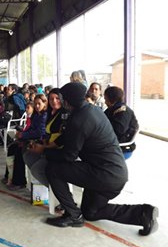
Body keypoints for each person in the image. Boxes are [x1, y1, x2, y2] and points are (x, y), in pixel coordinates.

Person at [41, 82, 158, 236]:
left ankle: (73, 215)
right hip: (115, 174)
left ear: (68, 101)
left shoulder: (79, 119)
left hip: (104, 175)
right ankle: (143, 213)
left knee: (53, 169)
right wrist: (51, 146)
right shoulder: (91, 110)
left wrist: (44, 151)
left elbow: (68, 156)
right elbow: (68, 135)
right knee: (91, 212)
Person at [104, 86, 139, 158]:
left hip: (122, 146)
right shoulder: (112, 109)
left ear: (111, 99)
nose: (105, 102)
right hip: (114, 142)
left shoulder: (123, 111)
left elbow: (118, 131)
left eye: (106, 99)